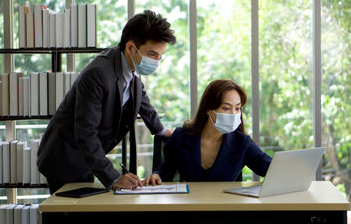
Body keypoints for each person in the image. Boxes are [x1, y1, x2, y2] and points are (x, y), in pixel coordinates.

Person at [37, 10, 176, 194]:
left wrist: (160, 130)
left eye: (160, 55)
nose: (156, 61)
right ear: (130, 48)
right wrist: (114, 177)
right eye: (152, 54)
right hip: (65, 157)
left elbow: (141, 97)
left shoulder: (129, 66)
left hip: (86, 157)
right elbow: (85, 133)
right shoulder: (99, 74)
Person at [144, 79, 272, 185]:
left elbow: (271, 169)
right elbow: (165, 170)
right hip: (187, 209)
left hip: (225, 210)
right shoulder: (180, 137)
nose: (233, 114)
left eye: (237, 108)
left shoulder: (242, 143)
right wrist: (156, 175)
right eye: (226, 108)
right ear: (208, 109)